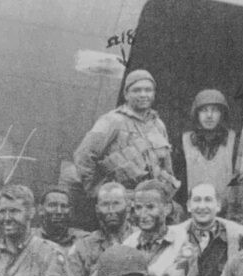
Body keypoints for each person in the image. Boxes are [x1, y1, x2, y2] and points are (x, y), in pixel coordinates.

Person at [73, 69, 177, 198]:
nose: (143, 94)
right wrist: (95, 190)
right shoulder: (112, 120)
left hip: (150, 200)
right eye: (137, 90)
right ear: (126, 94)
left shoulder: (158, 125)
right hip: (120, 199)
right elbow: (83, 155)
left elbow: (166, 166)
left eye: (148, 90)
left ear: (154, 94)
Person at [179, 89, 237, 208]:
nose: (209, 115)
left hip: (225, 210)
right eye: (204, 110)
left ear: (222, 114)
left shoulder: (234, 141)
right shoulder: (184, 141)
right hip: (194, 209)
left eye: (215, 110)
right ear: (196, 114)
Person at [35, 185, 88, 252]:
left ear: (70, 211)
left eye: (64, 206)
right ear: (41, 210)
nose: (59, 212)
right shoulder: (31, 239)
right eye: (52, 205)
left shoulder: (84, 240)